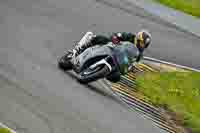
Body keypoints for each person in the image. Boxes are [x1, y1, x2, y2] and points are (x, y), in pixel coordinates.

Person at [70, 30, 151, 74]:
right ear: (137, 39)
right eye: (141, 42)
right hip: (112, 48)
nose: (141, 45)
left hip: (118, 62)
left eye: (144, 45)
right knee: (101, 39)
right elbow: (117, 35)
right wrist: (115, 38)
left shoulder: (139, 55)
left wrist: (131, 68)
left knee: (116, 77)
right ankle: (82, 46)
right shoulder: (129, 36)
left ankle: (97, 72)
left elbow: (133, 64)